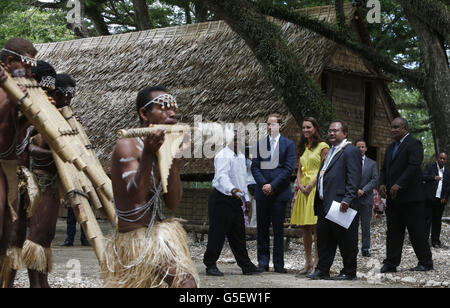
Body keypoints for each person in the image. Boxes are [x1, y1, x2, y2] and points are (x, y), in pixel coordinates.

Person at [102, 85, 199, 288]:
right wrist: (148, 153)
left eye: (173, 107)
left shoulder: (165, 146)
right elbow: (137, 198)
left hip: (156, 232)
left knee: (186, 282)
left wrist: (172, 157)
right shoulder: (127, 145)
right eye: (163, 107)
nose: (172, 113)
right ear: (144, 114)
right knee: (186, 283)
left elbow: (172, 202)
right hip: (136, 239)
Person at [21, 60, 62, 288]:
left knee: (45, 234)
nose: (46, 95)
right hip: (23, 179)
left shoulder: (49, 111)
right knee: (18, 239)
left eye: (50, 91)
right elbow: (22, 146)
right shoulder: (18, 107)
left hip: (45, 181)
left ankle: (40, 282)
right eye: (42, 90)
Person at [0, 38, 37, 288]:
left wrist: (25, 118)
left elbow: (11, 135)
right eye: (27, 63)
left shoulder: (18, 90)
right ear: (10, 61)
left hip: (9, 167)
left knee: (7, 233)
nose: (31, 71)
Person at [307, 120, 361, 281]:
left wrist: (348, 198)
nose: (331, 133)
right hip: (325, 203)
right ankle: (322, 269)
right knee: (324, 238)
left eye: (335, 131)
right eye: (330, 130)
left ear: (344, 133)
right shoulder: (330, 151)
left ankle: (349, 271)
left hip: (341, 204)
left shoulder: (350, 150)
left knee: (346, 239)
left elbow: (354, 177)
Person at [203, 132, 263, 276]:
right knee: (217, 233)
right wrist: (231, 189)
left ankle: (246, 265)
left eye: (240, 139)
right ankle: (210, 264)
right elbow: (222, 176)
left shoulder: (241, 156)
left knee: (238, 233)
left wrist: (247, 199)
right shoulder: (222, 155)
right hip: (221, 198)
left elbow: (242, 179)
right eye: (234, 139)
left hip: (236, 199)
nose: (237, 142)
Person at [379, 117, 433, 273]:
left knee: (416, 231)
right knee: (393, 231)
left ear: (405, 128)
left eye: (396, 127)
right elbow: (384, 169)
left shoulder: (414, 144)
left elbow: (413, 167)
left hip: (411, 199)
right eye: (391, 127)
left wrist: (399, 184)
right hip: (393, 199)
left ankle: (425, 262)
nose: (392, 130)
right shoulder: (390, 148)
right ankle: (391, 263)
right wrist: (382, 183)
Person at [251, 113, 296, 273]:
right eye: (268, 124)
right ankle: (262, 262)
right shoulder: (260, 144)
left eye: (273, 124)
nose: (270, 127)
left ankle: (278, 264)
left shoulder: (288, 144)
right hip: (262, 192)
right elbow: (254, 166)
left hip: (279, 192)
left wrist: (273, 185)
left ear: (280, 126)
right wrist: (264, 184)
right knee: (262, 229)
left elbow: (288, 168)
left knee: (278, 230)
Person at [53, 74, 89, 247]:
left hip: (75, 165)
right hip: (53, 166)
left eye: (70, 94)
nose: (67, 98)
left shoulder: (72, 114)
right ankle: (69, 237)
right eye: (62, 94)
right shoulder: (47, 110)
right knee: (70, 207)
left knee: (82, 203)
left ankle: (84, 237)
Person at [290, 117, 329, 274]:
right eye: (303, 127)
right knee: (305, 227)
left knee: (316, 227)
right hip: (303, 189)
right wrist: (299, 184)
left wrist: (311, 185)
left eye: (308, 127)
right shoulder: (304, 146)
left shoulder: (323, 146)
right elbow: (299, 169)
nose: (305, 130)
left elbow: (324, 169)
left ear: (315, 128)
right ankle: (308, 262)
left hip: (315, 188)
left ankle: (317, 263)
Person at [355, 139, 378, 257]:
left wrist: (363, 190)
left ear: (366, 148)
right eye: (358, 147)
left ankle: (365, 248)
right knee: (352, 225)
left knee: (365, 225)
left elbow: (374, 180)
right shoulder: (350, 162)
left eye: (362, 147)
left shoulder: (372, 163)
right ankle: (352, 248)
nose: (360, 149)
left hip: (366, 198)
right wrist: (355, 190)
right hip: (353, 198)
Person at [422, 152, 449, 248]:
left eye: (444, 159)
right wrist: (433, 178)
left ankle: (435, 241)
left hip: (440, 201)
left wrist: (445, 197)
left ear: (446, 160)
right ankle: (424, 241)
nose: (442, 160)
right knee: (427, 220)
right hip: (429, 198)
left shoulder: (447, 172)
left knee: (437, 221)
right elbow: (423, 177)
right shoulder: (430, 167)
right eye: (440, 158)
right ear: (438, 158)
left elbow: (448, 187)